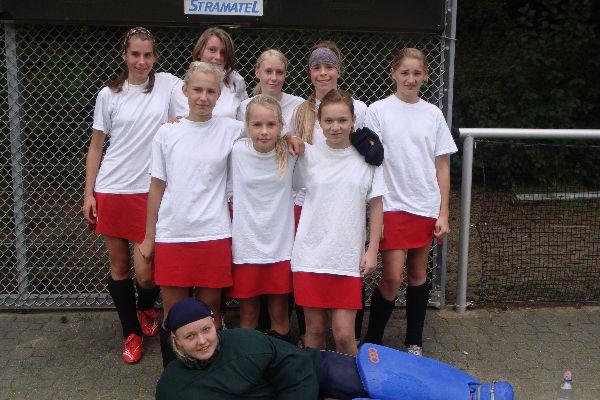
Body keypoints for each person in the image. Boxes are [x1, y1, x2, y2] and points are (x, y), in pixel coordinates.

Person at [82, 27, 188, 364]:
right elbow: (96, 146)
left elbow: (201, 92)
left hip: (149, 192)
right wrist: (89, 193)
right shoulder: (108, 95)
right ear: (124, 56)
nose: (141, 61)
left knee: (146, 272)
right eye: (135, 54)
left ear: (155, 56)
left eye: (147, 54)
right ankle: (131, 333)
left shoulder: (167, 85)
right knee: (119, 266)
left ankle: (145, 308)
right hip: (112, 189)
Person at [138, 61, 244, 367]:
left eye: (211, 91)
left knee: (210, 313)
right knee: (175, 314)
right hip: (174, 234)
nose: (203, 97)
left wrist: (290, 139)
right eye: (197, 89)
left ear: (219, 95)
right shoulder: (167, 133)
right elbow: (157, 186)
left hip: (214, 232)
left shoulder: (232, 130)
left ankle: (212, 377)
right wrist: (149, 237)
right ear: (185, 91)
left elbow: (268, 132)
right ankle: (175, 376)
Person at [362, 48, 458, 356]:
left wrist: (443, 212)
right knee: (392, 276)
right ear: (393, 73)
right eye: (404, 72)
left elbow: (441, 165)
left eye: (417, 73)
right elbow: (371, 160)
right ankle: (372, 342)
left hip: (425, 205)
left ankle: (413, 341)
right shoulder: (377, 110)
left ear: (425, 76)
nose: (410, 79)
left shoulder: (433, 114)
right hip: (391, 205)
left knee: (418, 274)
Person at [291, 88, 386, 356]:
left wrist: (372, 249)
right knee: (315, 332)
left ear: (354, 120)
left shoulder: (369, 159)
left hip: (346, 258)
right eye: (329, 120)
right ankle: (316, 378)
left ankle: (351, 380)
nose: (335, 127)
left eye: (342, 120)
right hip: (311, 256)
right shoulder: (308, 155)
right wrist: (289, 139)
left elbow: (376, 205)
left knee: (344, 335)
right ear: (319, 122)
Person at [291, 41, 369, 346]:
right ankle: (312, 354)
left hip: (345, 206)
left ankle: (346, 355)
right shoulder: (301, 110)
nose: (323, 73)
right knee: (314, 326)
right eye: (316, 67)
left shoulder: (358, 108)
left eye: (329, 66)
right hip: (310, 205)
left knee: (344, 330)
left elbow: (369, 144)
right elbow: (289, 144)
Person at [155, 297, 369, 400]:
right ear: (176, 341)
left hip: (310, 369)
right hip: (272, 390)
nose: (202, 341)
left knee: (377, 383)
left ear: (215, 324)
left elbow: (297, 371)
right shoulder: (171, 387)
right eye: (190, 336)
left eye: (206, 330)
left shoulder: (246, 342)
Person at [227, 95, 297, 342]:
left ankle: (281, 360)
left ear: (281, 126)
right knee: (248, 313)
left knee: (279, 312)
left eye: (271, 124)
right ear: (246, 126)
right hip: (247, 246)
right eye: (257, 125)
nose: (264, 131)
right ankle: (250, 361)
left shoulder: (291, 153)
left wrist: (292, 138)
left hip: (280, 246)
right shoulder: (236, 150)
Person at [236, 49, 304, 133]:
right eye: (268, 71)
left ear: (285, 74)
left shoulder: (298, 105)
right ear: (257, 72)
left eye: (279, 72)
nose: (274, 78)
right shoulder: (245, 107)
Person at [192, 27, 248, 118]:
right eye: (212, 50)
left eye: (223, 52)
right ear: (199, 52)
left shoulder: (236, 82)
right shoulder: (184, 84)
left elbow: (245, 119)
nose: (218, 57)